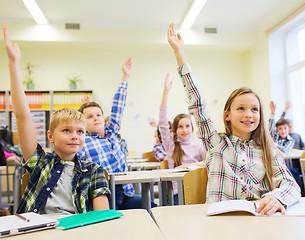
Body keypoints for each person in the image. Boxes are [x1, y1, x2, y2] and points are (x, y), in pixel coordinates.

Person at [167, 23, 300, 215]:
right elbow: (197, 103)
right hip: (221, 224)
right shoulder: (216, 143)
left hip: (258, 222)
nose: (249, 114)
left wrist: (277, 197)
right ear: (227, 115)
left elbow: (291, 184)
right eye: (241, 108)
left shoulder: (267, 151)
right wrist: (180, 53)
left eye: (255, 109)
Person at [3, 25, 110, 214]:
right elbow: (22, 116)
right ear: (50, 136)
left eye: (80, 131)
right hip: (38, 230)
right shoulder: (40, 162)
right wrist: (13, 64)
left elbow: (101, 215)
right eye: (66, 130)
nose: (74, 136)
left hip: (75, 230)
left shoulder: (94, 171)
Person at [78, 59, 156, 210]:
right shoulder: (82, 141)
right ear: (82, 122)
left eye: (99, 115)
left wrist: (125, 78)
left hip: (125, 194)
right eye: (90, 117)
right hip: (100, 198)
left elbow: (118, 107)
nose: (96, 118)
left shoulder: (111, 133)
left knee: (153, 208)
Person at [159, 72, 206, 204]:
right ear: (174, 130)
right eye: (180, 127)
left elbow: (208, 163)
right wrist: (165, 92)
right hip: (179, 194)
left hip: (200, 192)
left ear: (192, 128)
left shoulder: (199, 147)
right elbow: (162, 123)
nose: (184, 130)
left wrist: (188, 166)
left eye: (187, 126)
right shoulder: (171, 147)